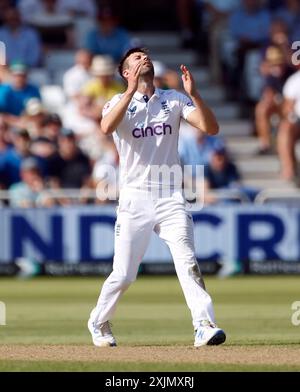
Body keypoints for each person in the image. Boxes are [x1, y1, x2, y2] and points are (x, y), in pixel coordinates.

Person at [87, 47, 226, 348]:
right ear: (125, 72)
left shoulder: (173, 99)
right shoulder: (117, 102)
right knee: (124, 275)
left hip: (170, 195)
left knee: (188, 260)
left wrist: (195, 95)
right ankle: (98, 321)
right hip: (135, 197)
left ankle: (203, 324)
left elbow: (211, 128)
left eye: (145, 56)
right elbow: (106, 127)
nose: (143, 59)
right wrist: (130, 91)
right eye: (136, 59)